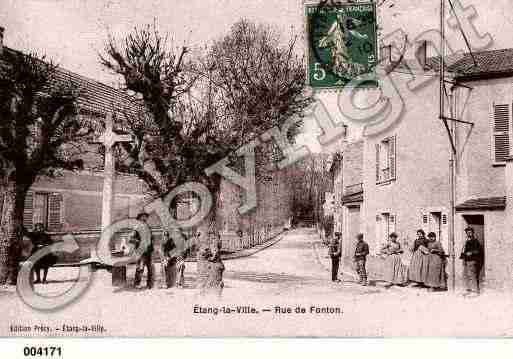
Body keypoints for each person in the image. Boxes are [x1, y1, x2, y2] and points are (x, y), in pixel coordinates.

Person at [130, 212, 154, 289]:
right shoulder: (136, 227)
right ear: (139, 218)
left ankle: (149, 284)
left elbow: (151, 238)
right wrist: (139, 242)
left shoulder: (148, 227)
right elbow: (130, 239)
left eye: (145, 217)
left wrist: (151, 245)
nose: (144, 218)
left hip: (149, 251)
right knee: (140, 267)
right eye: (143, 217)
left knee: (150, 268)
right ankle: (137, 283)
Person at [460, 227, 483, 297]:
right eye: (467, 232)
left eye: (470, 232)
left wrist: (471, 253)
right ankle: (470, 290)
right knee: (468, 275)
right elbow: (464, 250)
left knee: (472, 275)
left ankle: (475, 291)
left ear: (473, 233)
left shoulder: (475, 241)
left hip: (472, 260)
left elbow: (478, 251)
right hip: (467, 260)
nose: (468, 233)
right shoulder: (467, 241)